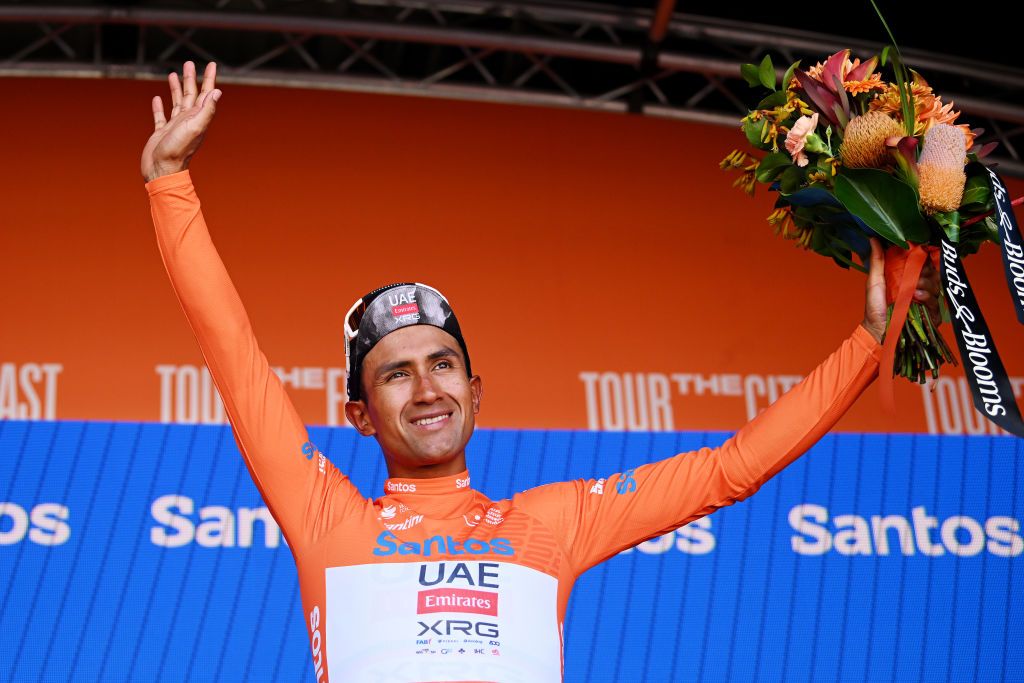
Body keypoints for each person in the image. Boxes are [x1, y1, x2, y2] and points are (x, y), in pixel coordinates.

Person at [141, 62, 941, 683]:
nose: (426, 389)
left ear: (475, 391)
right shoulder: (324, 517)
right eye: (395, 374)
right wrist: (169, 184)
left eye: (443, 364)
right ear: (357, 413)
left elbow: (729, 469)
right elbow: (234, 354)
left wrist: (871, 340)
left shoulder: (547, 526)